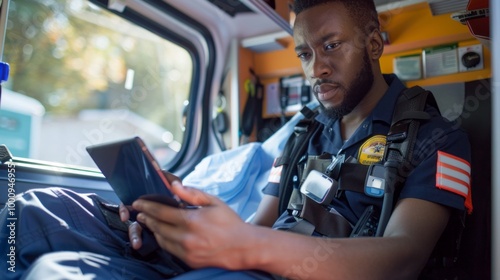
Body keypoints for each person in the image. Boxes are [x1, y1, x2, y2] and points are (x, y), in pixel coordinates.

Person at [0, 0, 472, 279]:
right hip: (248, 264)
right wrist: (180, 216)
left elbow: (404, 259)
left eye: (332, 46)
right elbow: (260, 222)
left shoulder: (437, 138)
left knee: (56, 272)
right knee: (36, 213)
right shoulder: (302, 134)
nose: (316, 68)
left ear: (374, 43)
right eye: (305, 53)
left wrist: (245, 247)